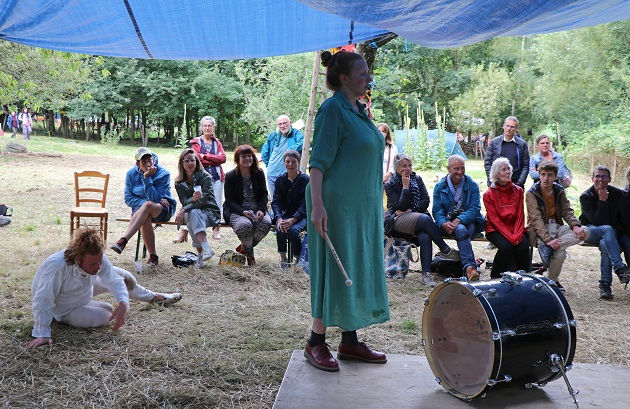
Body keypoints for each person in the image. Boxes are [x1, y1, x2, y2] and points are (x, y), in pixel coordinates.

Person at [305, 50, 389, 373]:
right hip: (335, 207)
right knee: (333, 271)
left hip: (361, 208)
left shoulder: (358, 110)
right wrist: (317, 206)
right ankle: (315, 342)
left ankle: (350, 341)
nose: (368, 77)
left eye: (368, 72)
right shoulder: (332, 110)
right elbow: (317, 163)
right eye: (362, 72)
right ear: (343, 78)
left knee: (354, 267)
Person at [27, 228, 181, 350]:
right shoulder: (57, 266)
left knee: (124, 277)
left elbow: (114, 280)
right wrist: (43, 332)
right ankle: (64, 318)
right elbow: (43, 299)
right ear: (78, 258)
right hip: (64, 308)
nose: (98, 266)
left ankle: (154, 297)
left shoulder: (97, 259)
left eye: (99, 262)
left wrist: (123, 303)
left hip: (84, 291)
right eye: (93, 264)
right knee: (106, 314)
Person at [384, 153, 460, 287]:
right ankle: (445, 249)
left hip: (417, 216)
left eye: (409, 165)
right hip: (397, 221)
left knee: (425, 235)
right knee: (425, 219)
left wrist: (411, 210)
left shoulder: (417, 179)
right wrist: (405, 186)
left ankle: (426, 275)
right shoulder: (390, 183)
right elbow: (398, 206)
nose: (407, 169)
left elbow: (425, 200)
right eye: (404, 166)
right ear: (396, 168)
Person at [111, 147, 177, 267]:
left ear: (153, 160)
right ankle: (153, 257)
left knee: (147, 206)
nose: (148, 164)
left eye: (150, 160)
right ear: (137, 164)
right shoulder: (130, 174)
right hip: (140, 212)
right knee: (145, 213)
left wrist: (147, 178)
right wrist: (145, 202)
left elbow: (155, 198)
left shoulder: (163, 173)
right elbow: (128, 199)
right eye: (143, 162)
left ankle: (123, 240)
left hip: (162, 209)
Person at [526, 160, 589, 285]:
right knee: (560, 255)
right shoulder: (532, 193)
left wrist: (575, 226)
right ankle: (552, 281)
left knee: (586, 231)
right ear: (539, 175)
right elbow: (536, 220)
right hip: (542, 230)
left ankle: (551, 249)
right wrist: (548, 239)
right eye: (543, 174)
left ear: (555, 176)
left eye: (550, 175)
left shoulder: (559, 190)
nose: (546, 178)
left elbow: (567, 211)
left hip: (557, 227)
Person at [579, 165, 630, 299]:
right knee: (606, 229)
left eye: (604, 176)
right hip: (591, 231)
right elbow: (597, 222)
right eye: (597, 176)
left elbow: (623, 218)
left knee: (604, 243)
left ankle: (605, 285)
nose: (600, 179)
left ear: (610, 179)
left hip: (611, 234)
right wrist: (602, 201)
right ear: (592, 178)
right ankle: (619, 268)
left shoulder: (617, 194)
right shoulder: (586, 196)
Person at [433, 155, 486, 281]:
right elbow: (437, 210)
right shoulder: (440, 187)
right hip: (448, 221)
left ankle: (469, 267)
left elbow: (474, 209)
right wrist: (442, 223)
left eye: (462, 168)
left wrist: (459, 220)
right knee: (461, 230)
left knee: (461, 229)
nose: (460, 172)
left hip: (469, 221)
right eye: (456, 168)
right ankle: (470, 268)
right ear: (448, 168)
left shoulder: (471, 185)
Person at [223, 145, 272, 266]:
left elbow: (263, 195)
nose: (247, 159)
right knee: (245, 225)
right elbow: (229, 200)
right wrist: (243, 212)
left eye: (249, 156)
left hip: (256, 208)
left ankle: (244, 248)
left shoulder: (259, 173)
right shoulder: (230, 176)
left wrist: (261, 209)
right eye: (243, 156)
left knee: (265, 224)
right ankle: (250, 258)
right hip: (236, 210)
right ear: (237, 159)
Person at [174, 149, 222, 267]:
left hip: (209, 212)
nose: (190, 163)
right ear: (182, 163)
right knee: (192, 214)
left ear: (196, 162)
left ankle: (201, 257)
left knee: (191, 214)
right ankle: (204, 253)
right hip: (193, 213)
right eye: (187, 161)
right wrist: (191, 201)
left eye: (193, 160)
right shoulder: (179, 182)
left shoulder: (205, 177)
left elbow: (203, 200)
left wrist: (184, 209)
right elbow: (184, 201)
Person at [483, 158, 530, 278]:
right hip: (495, 229)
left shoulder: (518, 191)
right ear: (496, 174)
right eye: (503, 169)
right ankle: (495, 277)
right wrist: (511, 238)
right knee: (506, 247)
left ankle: (524, 278)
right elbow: (495, 220)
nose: (508, 172)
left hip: (515, 228)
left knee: (523, 246)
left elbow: (520, 215)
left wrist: (517, 235)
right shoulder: (488, 194)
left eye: (508, 168)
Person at [189, 116, 226, 241]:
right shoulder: (196, 142)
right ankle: (190, 229)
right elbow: (197, 158)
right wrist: (214, 158)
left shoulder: (217, 143)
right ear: (201, 127)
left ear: (213, 127)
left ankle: (216, 229)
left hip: (216, 177)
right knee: (197, 201)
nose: (207, 128)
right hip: (200, 179)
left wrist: (206, 156)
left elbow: (223, 159)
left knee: (217, 203)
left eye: (209, 125)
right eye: (205, 125)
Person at [271, 150, 309, 269]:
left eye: (294, 162)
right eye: (288, 162)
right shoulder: (280, 180)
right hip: (285, 214)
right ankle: (284, 259)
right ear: (284, 163)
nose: (290, 165)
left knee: (293, 231)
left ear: (298, 163)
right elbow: (276, 202)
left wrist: (293, 219)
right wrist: (279, 218)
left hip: (302, 215)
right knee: (280, 229)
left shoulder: (305, 180)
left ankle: (298, 260)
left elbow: (306, 203)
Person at [261, 115, 304, 206]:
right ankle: (277, 219)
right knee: (275, 201)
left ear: (290, 123)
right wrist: (269, 165)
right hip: (272, 173)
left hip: (289, 174)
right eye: (280, 124)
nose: (282, 126)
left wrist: (290, 151)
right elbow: (265, 151)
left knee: (289, 201)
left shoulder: (296, 134)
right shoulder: (273, 135)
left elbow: (303, 143)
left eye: (285, 123)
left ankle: (289, 219)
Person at [484, 116, 530, 188]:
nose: (509, 129)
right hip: (497, 183)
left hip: (516, 183)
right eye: (507, 126)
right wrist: (492, 180)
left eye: (512, 127)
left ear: (516, 129)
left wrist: (520, 182)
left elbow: (526, 165)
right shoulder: (494, 143)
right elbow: (488, 162)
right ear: (503, 126)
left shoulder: (522, 144)